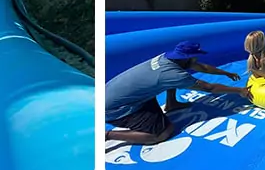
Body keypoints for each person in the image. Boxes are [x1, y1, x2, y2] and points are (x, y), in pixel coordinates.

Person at [105, 41, 251, 145]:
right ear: (187, 58)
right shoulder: (174, 74)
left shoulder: (165, 59)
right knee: (163, 133)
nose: (196, 59)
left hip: (114, 94)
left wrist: (225, 73)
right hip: (116, 109)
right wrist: (239, 90)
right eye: (194, 57)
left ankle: (171, 104)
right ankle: (107, 135)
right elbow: (209, 88)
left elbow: (202, 68)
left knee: (168, 80)